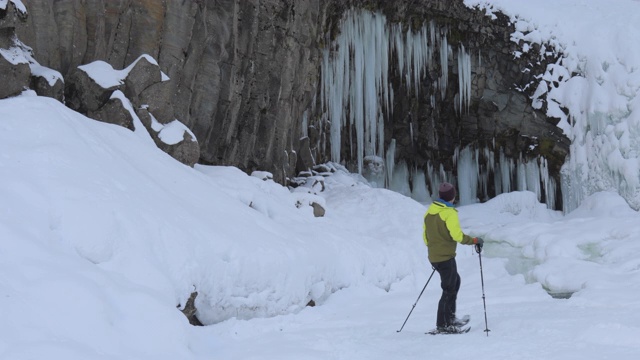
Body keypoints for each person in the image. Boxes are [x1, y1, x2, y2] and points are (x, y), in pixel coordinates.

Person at [423, 182, 484, 334]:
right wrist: (474, 241)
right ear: (452, 196)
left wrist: (435, 248)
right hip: (445, 257)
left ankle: (450, 318)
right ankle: (443, 324)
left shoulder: (430, 212)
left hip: (435, 256)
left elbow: (425, 237)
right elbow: (458, 236)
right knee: (448, 289)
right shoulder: (449, 213)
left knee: (455, 282)